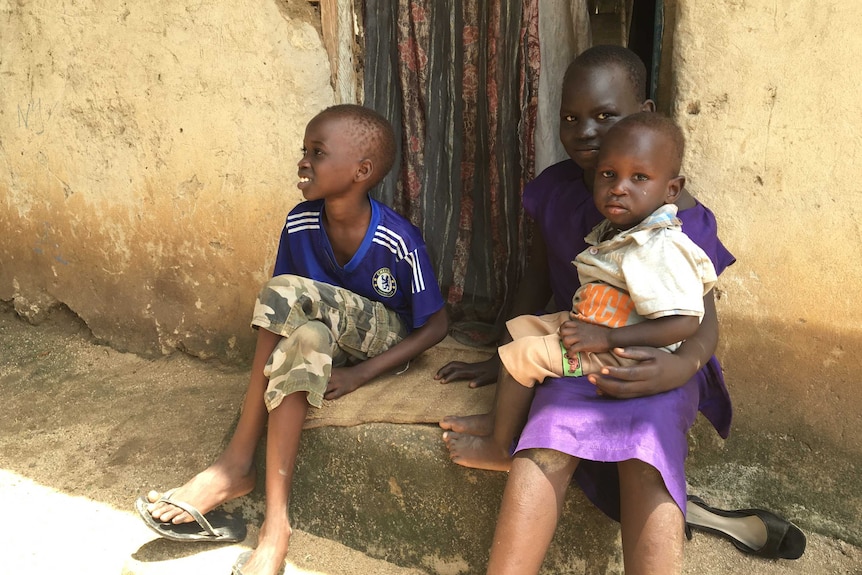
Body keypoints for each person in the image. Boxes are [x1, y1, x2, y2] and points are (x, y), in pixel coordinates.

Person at [439, 45, 736, 574]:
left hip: (660, 361)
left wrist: (681, 366)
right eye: (571, 118)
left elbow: (701, 318)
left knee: (647, 459)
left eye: (606, 115)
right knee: (546, 441)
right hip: (583, 345)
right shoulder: (556, 189)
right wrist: (500, 357)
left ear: (643, 111)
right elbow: (536, 274)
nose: (587, 132)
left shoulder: (679, 218)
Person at [136, 104, 449, 575]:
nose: (303, 162)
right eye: (304, 151)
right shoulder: (301, 221)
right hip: (326, 332)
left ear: (361, 171)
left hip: (382, 338)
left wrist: (362, 373)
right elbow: (289, 315)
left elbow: (437, 325)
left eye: (317, 153)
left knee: (284, 292)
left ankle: (234, 462)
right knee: (303, 339)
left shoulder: (396, 239)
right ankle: (276, 531)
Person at [452, 112, 718, 472]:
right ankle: (499, 418)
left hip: (624, 355)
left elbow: (685, 323)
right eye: (609, 175)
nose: (619, 187)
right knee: (521, 328)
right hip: (599, 330)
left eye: (639, 177)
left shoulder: (661, 245)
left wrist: (608, 338)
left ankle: (499, 448)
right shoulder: (620, 229)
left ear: (671, 188)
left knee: (524, 355)